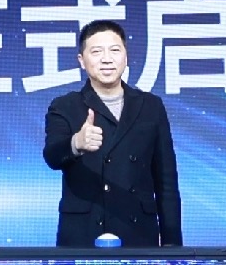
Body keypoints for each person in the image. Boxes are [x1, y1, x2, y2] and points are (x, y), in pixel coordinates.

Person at [39, 17, 181, 247]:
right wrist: (76, 143)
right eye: (96, 51)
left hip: (138, 230)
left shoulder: (150, 106)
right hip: (84, 231)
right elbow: (52, 156)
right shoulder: (65, 106)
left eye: (115, 50)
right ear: (81, 60)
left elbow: (166, 181)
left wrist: (172, 244)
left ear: (126, 56)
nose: (107, 59)